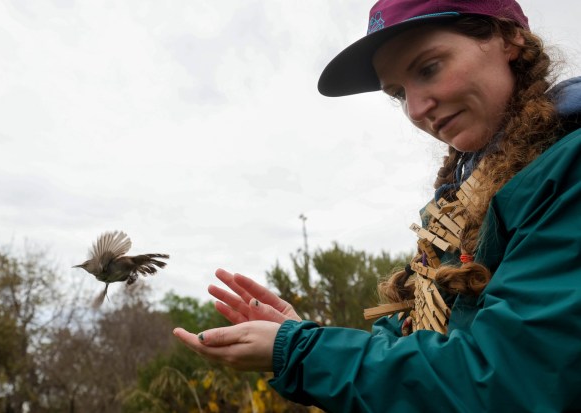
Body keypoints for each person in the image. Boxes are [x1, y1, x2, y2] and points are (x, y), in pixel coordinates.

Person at [174, 0, 581, 411]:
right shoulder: (468, 197)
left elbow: (509, 384)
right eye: (398, 92)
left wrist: (303, 352)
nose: (417, 109)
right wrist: (299, 333)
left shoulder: (569, 172)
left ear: (509, 39)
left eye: (428, 68)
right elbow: (423, 344)